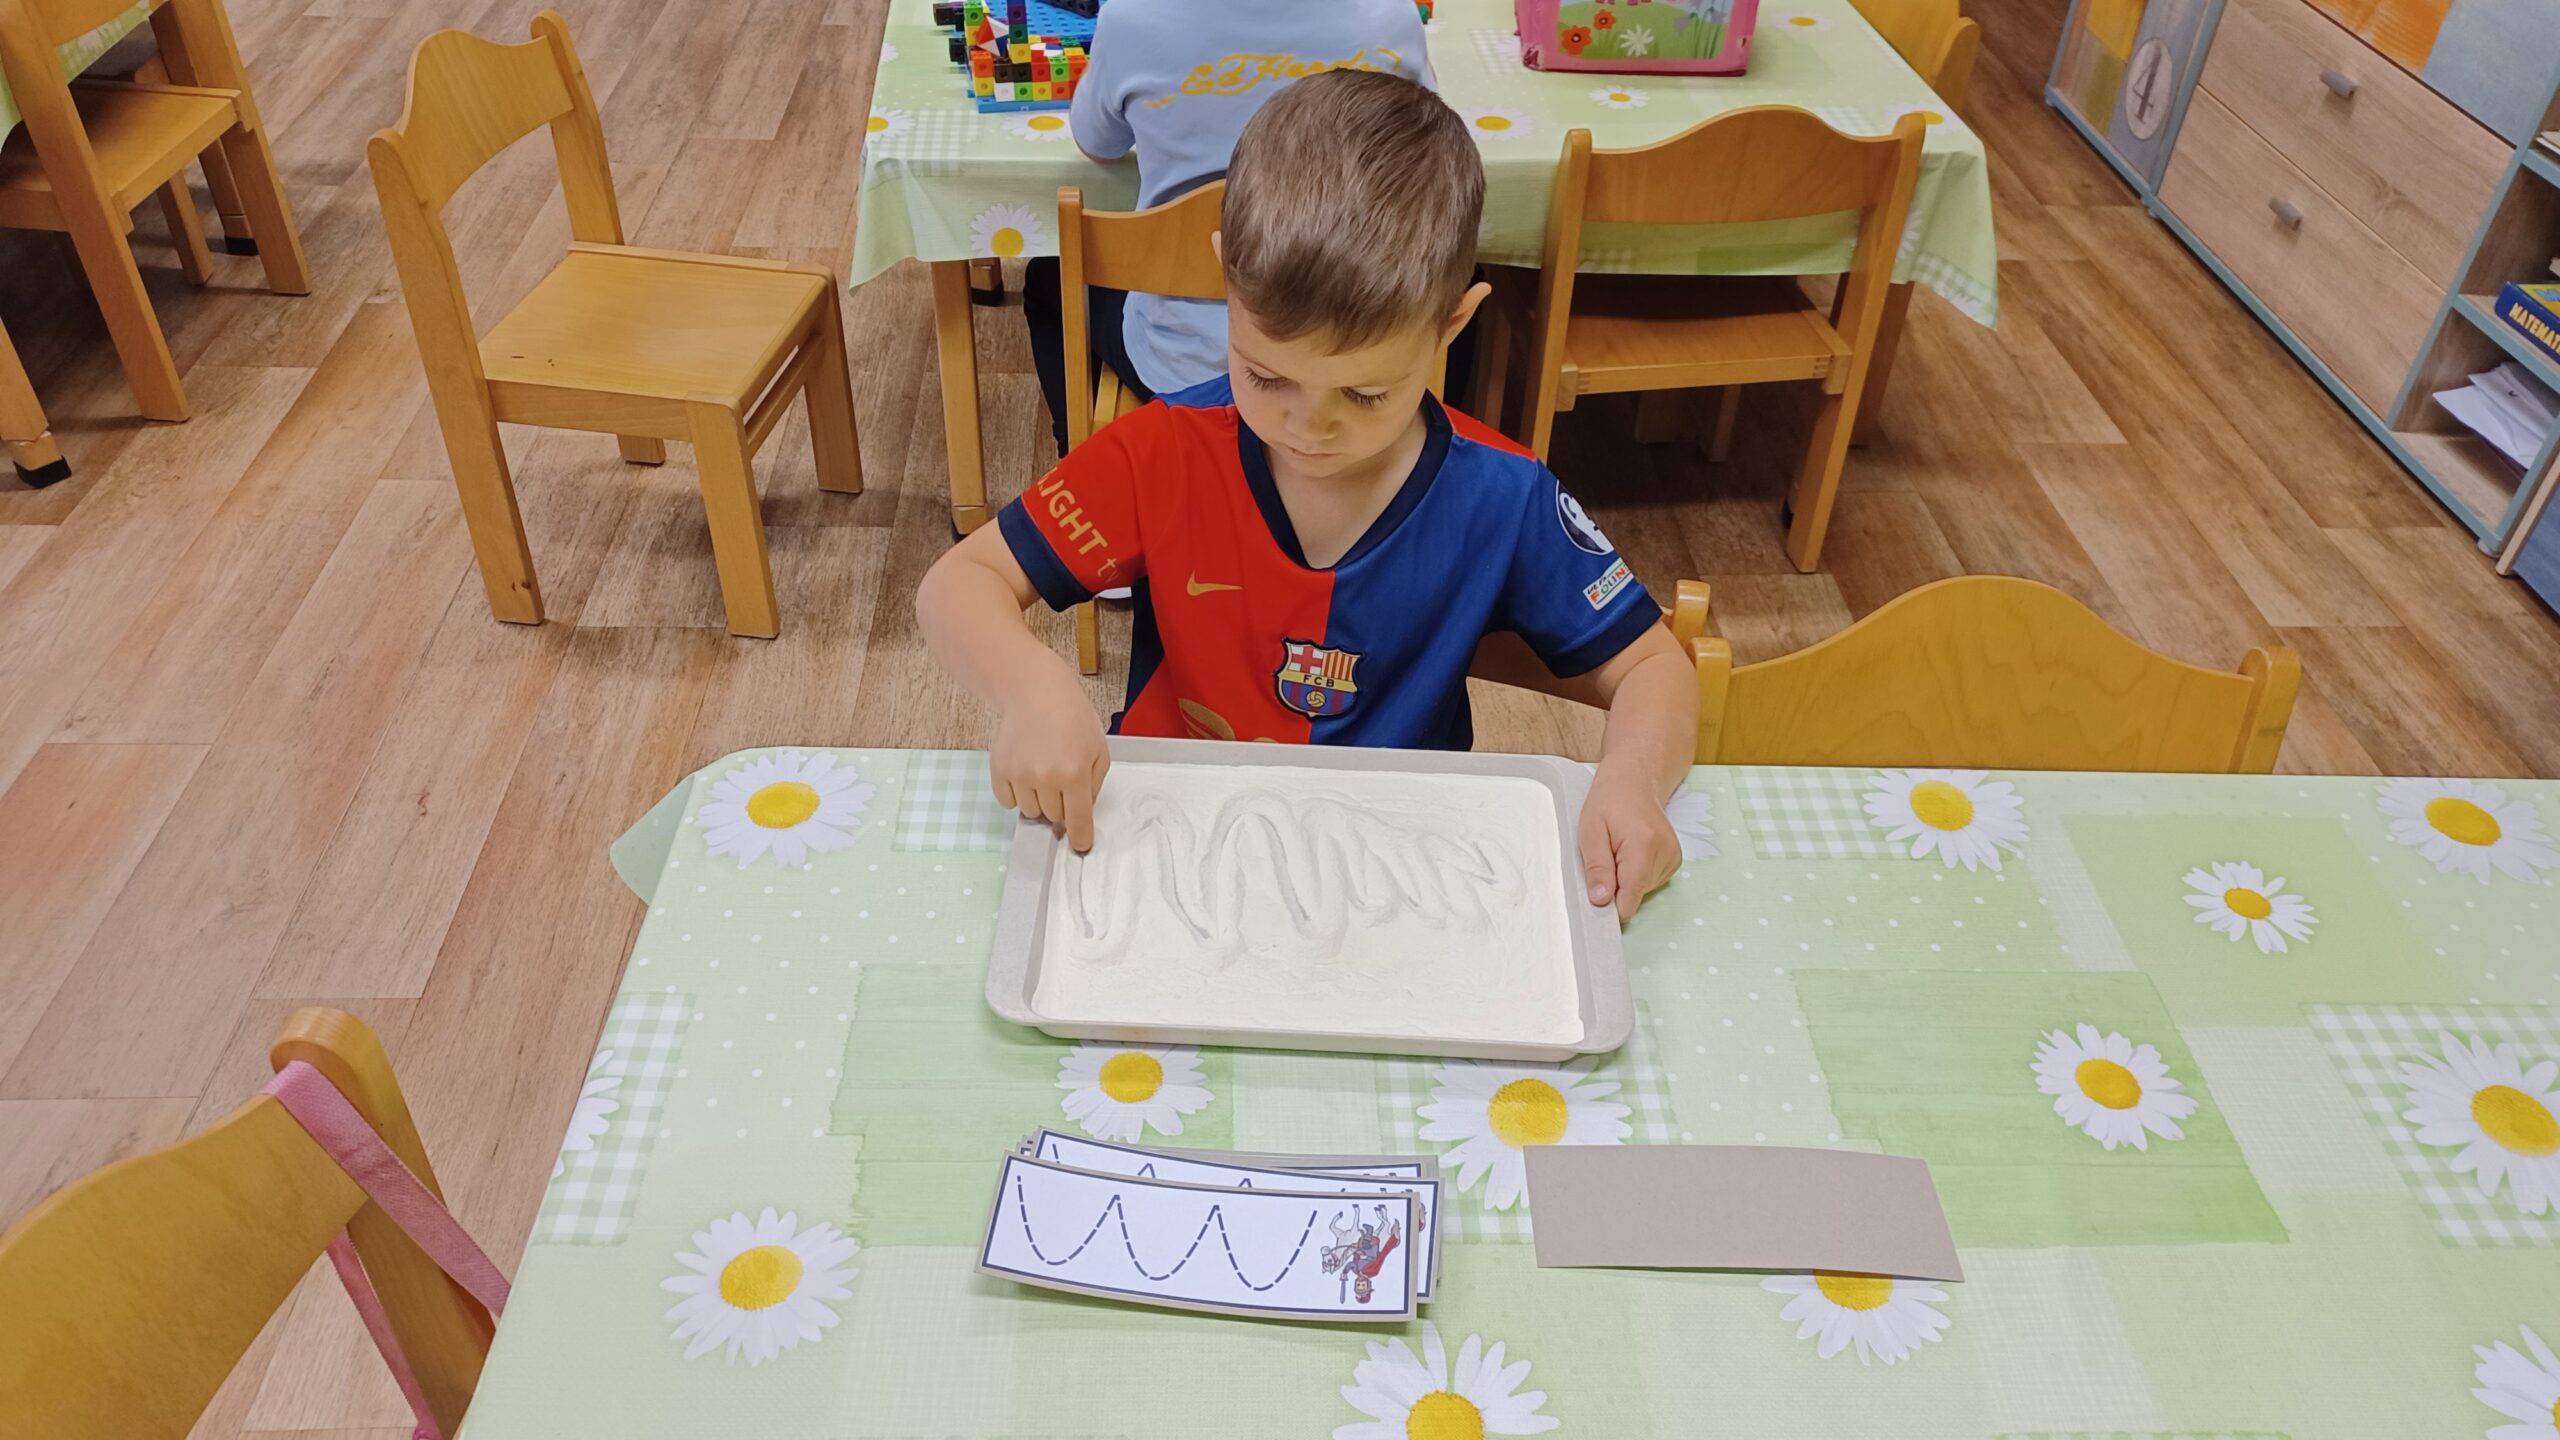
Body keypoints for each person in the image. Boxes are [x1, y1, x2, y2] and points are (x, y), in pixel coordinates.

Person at [921, 70, 1696, 919]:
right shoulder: (1162, 452)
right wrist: (1031, 687)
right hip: (1169, 839)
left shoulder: (1504, 496)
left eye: (1365, 393)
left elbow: (1655, 665)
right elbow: (960, 582)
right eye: (1265, 376)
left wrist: (1631, 779)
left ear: (1453, 322)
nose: (1307, 427)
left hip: (1396, 873)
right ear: (1225, 278)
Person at [1022, 0, 1434, 455]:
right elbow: (1427, 148)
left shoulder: (1132, 17)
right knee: (1464, 270)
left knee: (1047, 277)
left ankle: (1078, 458)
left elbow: (1098, 144)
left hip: (1179, 363)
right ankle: (1427, 447)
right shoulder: (1389, 18)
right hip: (1356, 362)